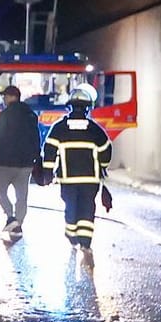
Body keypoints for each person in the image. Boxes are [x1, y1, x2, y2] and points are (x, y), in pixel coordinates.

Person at [43, 82, 113, 265]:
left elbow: (49, 150)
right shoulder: (95, 130)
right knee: (87, 209)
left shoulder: (59, 128)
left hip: (68, 179)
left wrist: (47, 171)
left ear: (70, 106)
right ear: (88, 108)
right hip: (91, 180)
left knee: (71, 208)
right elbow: (106, 150)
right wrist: (103, 165)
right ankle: (85, 243)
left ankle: (72, 237)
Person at [0, 83, 42, 236]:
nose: (3, 99)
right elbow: (36, 138)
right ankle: (18, 224)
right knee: (22, 195)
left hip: (5, 162)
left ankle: (11, 217)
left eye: (5, 96)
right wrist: (36, 158)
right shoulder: (31, 115)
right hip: (26, 164)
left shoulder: (5, 115)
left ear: (12, 97)